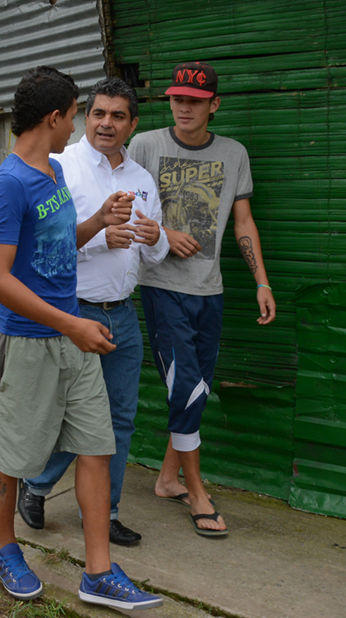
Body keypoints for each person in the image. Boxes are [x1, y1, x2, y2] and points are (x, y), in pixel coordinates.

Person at [0, 66, 161, 610]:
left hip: (73, 336)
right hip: (31, 340)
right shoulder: (9, 183)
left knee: (97, 448)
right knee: (11, 456)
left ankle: (98, 572)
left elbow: (58, 243)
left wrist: (97, 224)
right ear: (55, 117)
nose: (83, 123)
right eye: (79, 112)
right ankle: (6, 548)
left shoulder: (54, 172)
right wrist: (70, 323)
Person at [16, 78, 169, 547]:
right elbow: (41, 247)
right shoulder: (59, 167)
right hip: (73, 312)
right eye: (99, 113)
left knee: (120, 419)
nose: (106, 123)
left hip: (123, 315)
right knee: (67, 416)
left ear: (132, 124)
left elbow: (158, 251)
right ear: (85, 117)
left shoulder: (141, 180)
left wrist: (152, 238)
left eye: (118, 116)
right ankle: (37, 484)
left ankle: (108, 511)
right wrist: (102, 236)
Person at [131, 62, 276, 537]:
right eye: (177, 98)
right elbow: (126, 209)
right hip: (161, 286)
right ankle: (196, 492)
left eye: (194, 100)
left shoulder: (234, 154)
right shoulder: (146, 145)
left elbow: (243, 223)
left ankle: (168, 478)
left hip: (209, 289)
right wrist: (165, 234)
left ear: (214, 104)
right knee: (186, 387)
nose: (183, 107)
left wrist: (262, 282)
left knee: (197, 389)